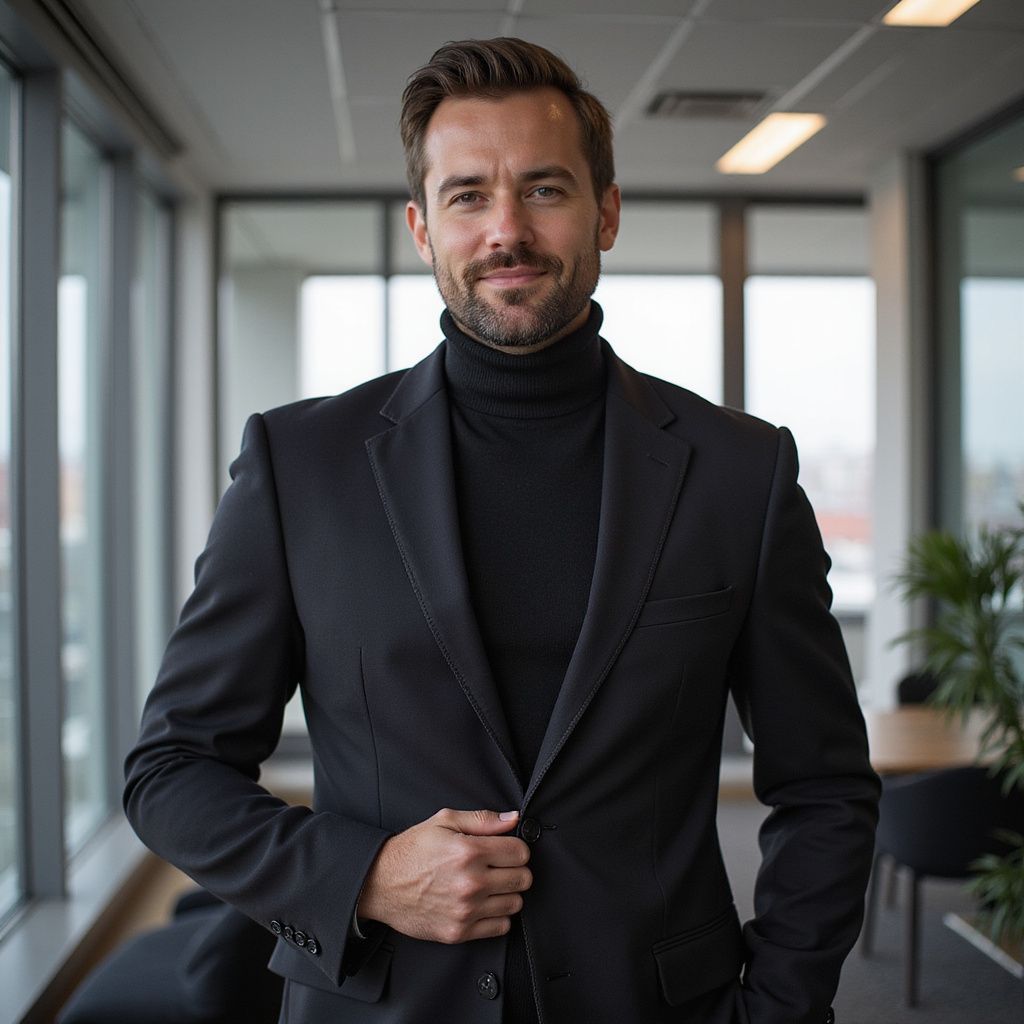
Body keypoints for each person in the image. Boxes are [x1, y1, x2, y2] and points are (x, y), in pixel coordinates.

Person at [124, 37, 879, 1024]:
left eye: (545, 189)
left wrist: (778, 1008)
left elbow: (822, 787)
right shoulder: (298, 465)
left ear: (606, 211)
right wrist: (365, 875)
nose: (506, 229)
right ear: (420, 227)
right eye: (468, 195)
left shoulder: (741, 472)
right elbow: (172, 769)